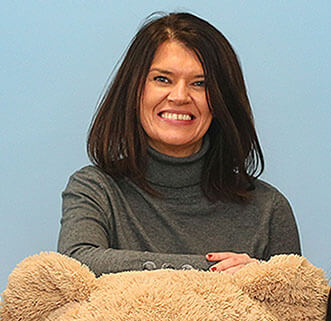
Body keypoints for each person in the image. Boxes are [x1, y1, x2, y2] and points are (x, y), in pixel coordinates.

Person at [58, 12, 300, 276]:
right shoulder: (96, 190)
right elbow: (76, 266)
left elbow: (294, 306)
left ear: (222, 101)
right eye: (163, 79)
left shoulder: (269, 209)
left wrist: (268, 280)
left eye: (200, 83)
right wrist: (220, 272)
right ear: (134, 89)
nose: (180, 96)